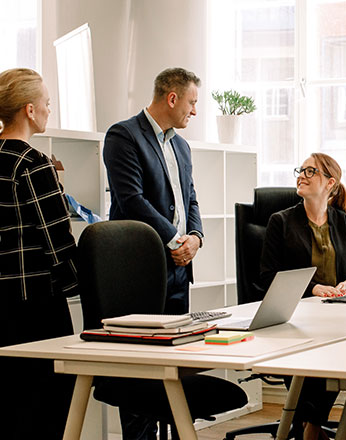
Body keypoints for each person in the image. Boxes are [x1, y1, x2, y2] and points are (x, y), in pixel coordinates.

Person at [103, 67, 204, 439]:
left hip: (178, 269)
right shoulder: (124, 135)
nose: (195, 111)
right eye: (192, 102)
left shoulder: (181, 145)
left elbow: (190, 197)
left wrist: (195, 236)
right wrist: (177, 240)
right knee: (140, 373)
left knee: (175, 366)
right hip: (140, 269)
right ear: (172, 98)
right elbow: (132, 200)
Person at [259, 152, 346, 439]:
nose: (302, 176)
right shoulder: (280, 222)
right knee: (312, 358)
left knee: (340, 353)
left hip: (338, 318)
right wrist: (312, 289)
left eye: (311, 172)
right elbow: (267, 276)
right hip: (294, 319)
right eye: (301, 170)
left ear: (330, 183)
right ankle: (312, 427)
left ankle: (312, 426)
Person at [0, 68, 78, 438]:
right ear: (30, 110)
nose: (50, 109)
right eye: (47, 102)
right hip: (35, 307)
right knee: (47, 404)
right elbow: (58, 242)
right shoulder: (33, 163)